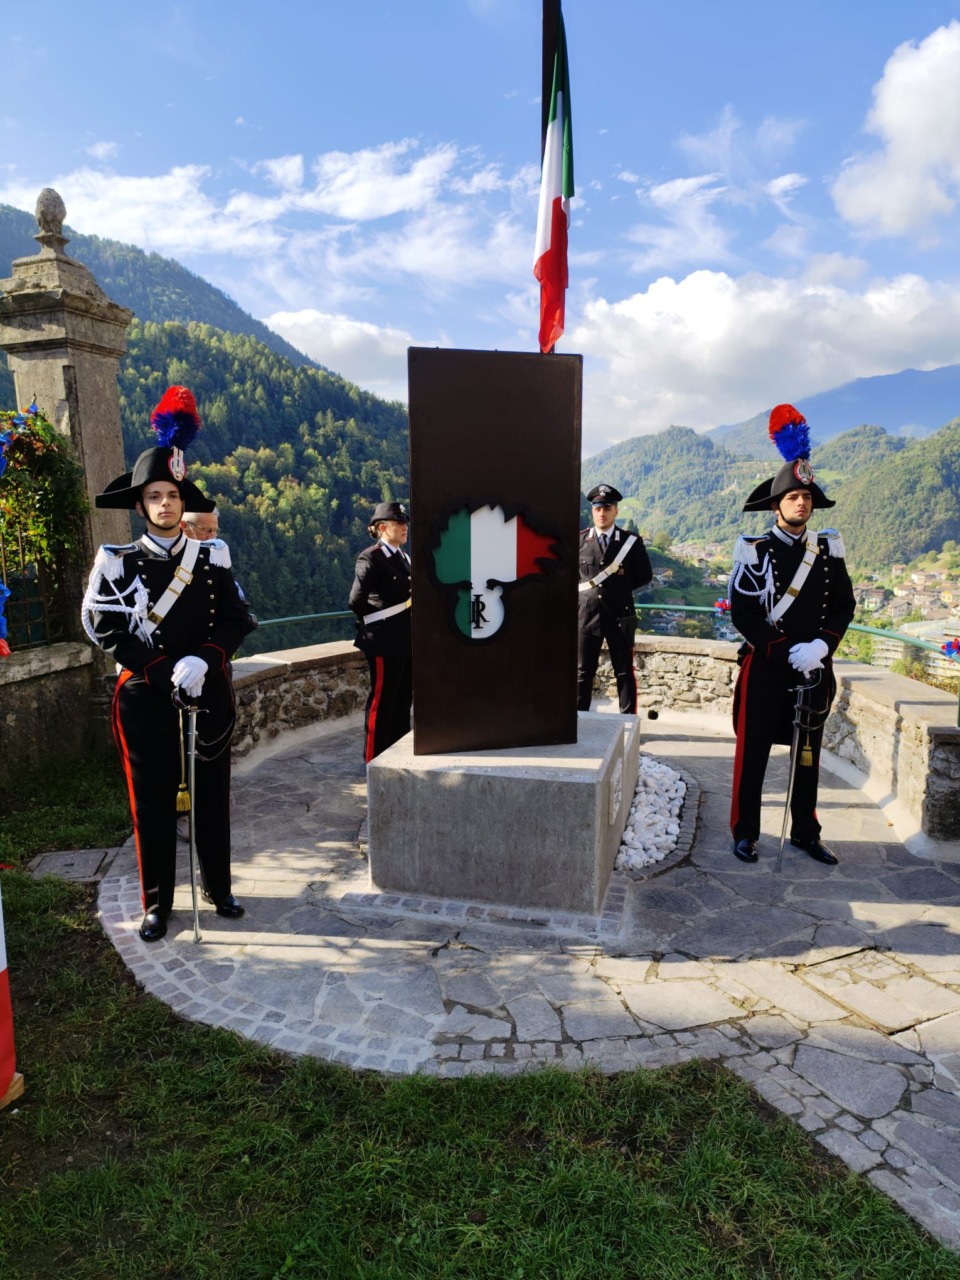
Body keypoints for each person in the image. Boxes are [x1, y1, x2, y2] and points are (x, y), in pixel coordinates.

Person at [81, 386, 256, 941]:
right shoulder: (117, 562)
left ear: (184, 502)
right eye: (154, 496)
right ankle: (157, 902)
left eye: (173, 495)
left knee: (211, 792)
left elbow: (238, 619)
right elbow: (105, 628)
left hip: (207, 689)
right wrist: (160, 669)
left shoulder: (213, 557)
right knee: (152, 799)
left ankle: (218, 885)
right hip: (146, 694)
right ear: (140, 505)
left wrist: (206, 659)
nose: (165, 504)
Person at [728, 404, 855, 867]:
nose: (802, 502)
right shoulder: (754, 551)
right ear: (777, 504)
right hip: (767, 667)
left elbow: (844, 605)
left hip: (814, 668)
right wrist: (785, 652)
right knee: (753, 755)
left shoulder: (829, 551)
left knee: (807, 757)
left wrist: (821, 646)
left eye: (807, 496)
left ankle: (805, 830)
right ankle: (745, 832)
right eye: (793, 496)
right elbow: (743, 612)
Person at [577, 483, 653, 713]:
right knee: (583, 672)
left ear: (616, 511)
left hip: (620, 615)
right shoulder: (579, 542)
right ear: (593, 511)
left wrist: (618, 590)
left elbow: (644, 576)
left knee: (624, 672)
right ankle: (579, 721)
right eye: (598, 508)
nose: (602, 513)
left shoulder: (631, 542)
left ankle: (628, 723)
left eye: (607, 508)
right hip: (587, 616)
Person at [349, 500, 412, 762]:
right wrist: (376, 624)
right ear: (383, 527)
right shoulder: (371, 557)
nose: (405, 527)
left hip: (405, 639)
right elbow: (356, 600)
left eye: (405, 522)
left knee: (401, 701)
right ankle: (374, 758)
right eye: (399, 523)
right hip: (384, 640)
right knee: (382, 701)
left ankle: (397, 757)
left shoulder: (404, 558)